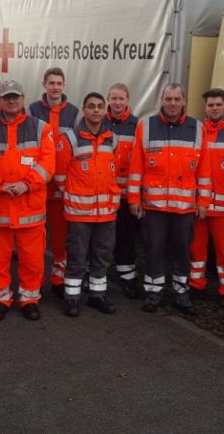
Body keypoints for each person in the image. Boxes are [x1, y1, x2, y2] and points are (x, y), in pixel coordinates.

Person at [127, 83, 209, 315]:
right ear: (161, 100)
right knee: (154, 249)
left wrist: (203, 203)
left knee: (182, 251)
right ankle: (154, 292)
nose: (172, 103)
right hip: (154, 208)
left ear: (184, 101)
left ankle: (181, 293)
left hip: (184, 209)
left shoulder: (197, 128)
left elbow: (204, 170)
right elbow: (136, 168)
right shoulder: (146, 126)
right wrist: (133, 199)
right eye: (168, 99)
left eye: (177, 99)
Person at [0, 80, 55, 322]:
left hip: (29, 207)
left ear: (23, 99)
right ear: (0, 99)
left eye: (16, 97)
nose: (11, 101)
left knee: (32, 260)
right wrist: (0, 184)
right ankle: (0, 299)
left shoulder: (42, 128)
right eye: (7, 97)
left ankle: (29, 299)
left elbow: (48, 163)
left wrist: (26, 184)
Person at [54, 92, 119, 317]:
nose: (96, 110)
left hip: (107, 213)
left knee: (102, 256)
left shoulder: (113, 138)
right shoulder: (69, 139)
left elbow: (114, 173)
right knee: (77, 256)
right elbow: (60, 177)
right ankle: (72, 297)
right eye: (91, 106)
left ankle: (97, 295)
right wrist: (77, 197)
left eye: (100, 106)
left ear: (105, 110)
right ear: (84, 109)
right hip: (79, 213)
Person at [27, 67, 82, 298]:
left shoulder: (75, 113)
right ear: (44, 85)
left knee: (60, 239)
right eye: (51, 83)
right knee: (36, 239)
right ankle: (35, 280)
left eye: (59, 83)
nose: (55, 87)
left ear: (64, 85)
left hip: (63, 186)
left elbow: (78, 150)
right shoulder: (32, 110)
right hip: (38, 185)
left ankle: (59, 278)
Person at [190, 88, 224, 307]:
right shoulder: (196, 132)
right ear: (206, 108)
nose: (214, 108)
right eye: (211, 105)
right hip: (199, 206)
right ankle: (197, 285)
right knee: (195, 249)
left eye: (218, 105)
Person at [105, 82, 141, 298]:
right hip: (103, 194)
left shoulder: (138, 126)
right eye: (114, 98)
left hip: (126, 194)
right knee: (101, 237)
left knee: (126, 236)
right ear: (108, 99)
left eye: (121, 99)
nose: (117, 103)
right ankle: (95, 272)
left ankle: (127, 274)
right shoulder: (98, 123)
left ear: (128, 100)